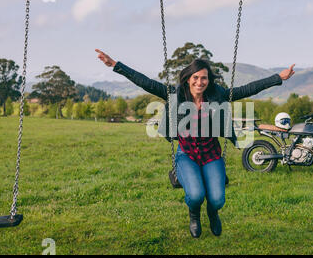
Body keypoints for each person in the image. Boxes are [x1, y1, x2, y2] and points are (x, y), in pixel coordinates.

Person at [96, 49, 295, 238]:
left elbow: (247, 89)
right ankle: (194, 215)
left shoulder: (217, 95)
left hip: (211, 154)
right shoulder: (177, 94)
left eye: (204, 78)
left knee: (217, 199)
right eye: (196, 78)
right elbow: (146, 82)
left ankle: (212, 214)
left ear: (208, 80)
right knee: (196, 195)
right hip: (186, 154)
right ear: (189, 79)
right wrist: (115, 64)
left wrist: (278, 78)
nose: (200, 82)